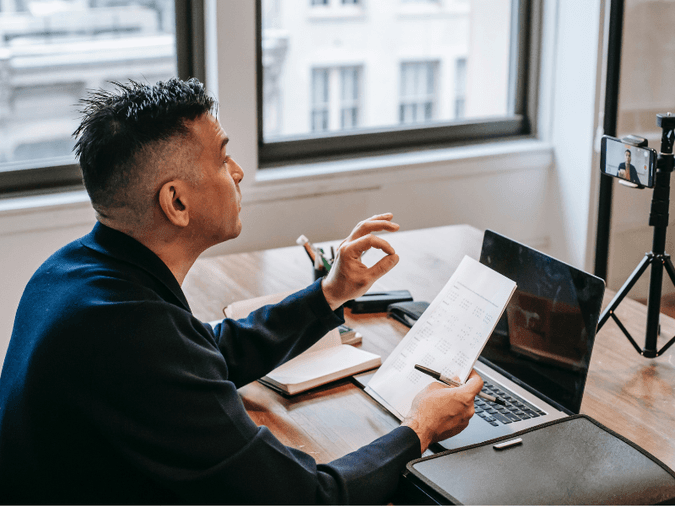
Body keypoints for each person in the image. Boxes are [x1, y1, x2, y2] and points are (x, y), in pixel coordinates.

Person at [0, 78, 483, 504]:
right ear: (176, 201)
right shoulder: (131, 334)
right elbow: (308, 498)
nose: (238, 172)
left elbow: (206, 352)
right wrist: (419, 429)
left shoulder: (72, 272)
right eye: (223, 157)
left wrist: (329, 292)